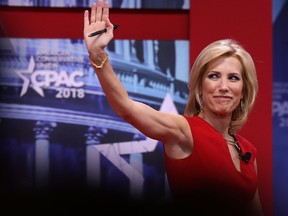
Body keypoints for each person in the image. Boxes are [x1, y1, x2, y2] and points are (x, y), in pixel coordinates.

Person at [83, 0, 263, 215]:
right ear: (199, 86)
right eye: (214, 76)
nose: (223, 87)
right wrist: (97, 55)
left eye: (233, 78)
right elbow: (126, 108)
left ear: (243, 90)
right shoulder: (183, 131)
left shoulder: (248, 151)